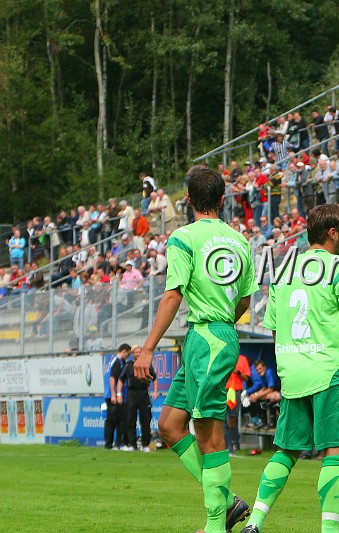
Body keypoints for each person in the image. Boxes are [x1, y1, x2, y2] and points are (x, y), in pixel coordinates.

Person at [241, 203, 339, 533]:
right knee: (335, 452)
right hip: (330, 372)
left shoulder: (282, 271)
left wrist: (290, 363)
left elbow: (276, 328)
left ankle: (255, 521)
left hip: (294, 373)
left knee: (287, 450)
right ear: (333, 233)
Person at [134, 166, 260, 533]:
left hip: (206, 337)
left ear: (188, 200)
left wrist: (147, 349)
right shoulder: (241, 241)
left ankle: (215, 523)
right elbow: (246, 300)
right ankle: (227, 502)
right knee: (171, 425)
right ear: (222, 200)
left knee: (208, 433)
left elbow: (173, 294)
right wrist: (223, 320)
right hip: (213, 334)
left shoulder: (182, 238)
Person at [121, 345, 158, 451]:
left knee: (146, 419)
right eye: (136, 352)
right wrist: (119, 393)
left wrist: (155, 392)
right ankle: (132, 444)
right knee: (130, 419)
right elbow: (120, 379)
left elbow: (154, 378)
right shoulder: (128, 365)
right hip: (131, 393)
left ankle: (145, 444)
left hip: (143, 393)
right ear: (132, 354)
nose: (138, 354)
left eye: (139, 352)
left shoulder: (146, 365)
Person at [104, 343, 131, 450]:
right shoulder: (117, 362)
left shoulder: (116, 362)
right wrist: (114, 395)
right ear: (123, 351)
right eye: (127, 354)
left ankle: (116, 443)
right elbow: (112, 379)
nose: (127, 357)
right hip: (112, 396)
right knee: (112, 420)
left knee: (119, 420)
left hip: (114, 395)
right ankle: (109, 444)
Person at [225, 354, 252, 456]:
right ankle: (223, 447)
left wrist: (238, 372)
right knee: (222, 419)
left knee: (232, 419)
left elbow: (246, 378)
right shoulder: (223, 356)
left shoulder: (242, 359)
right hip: (223, 390)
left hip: (235, 391)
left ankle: (231, 447)